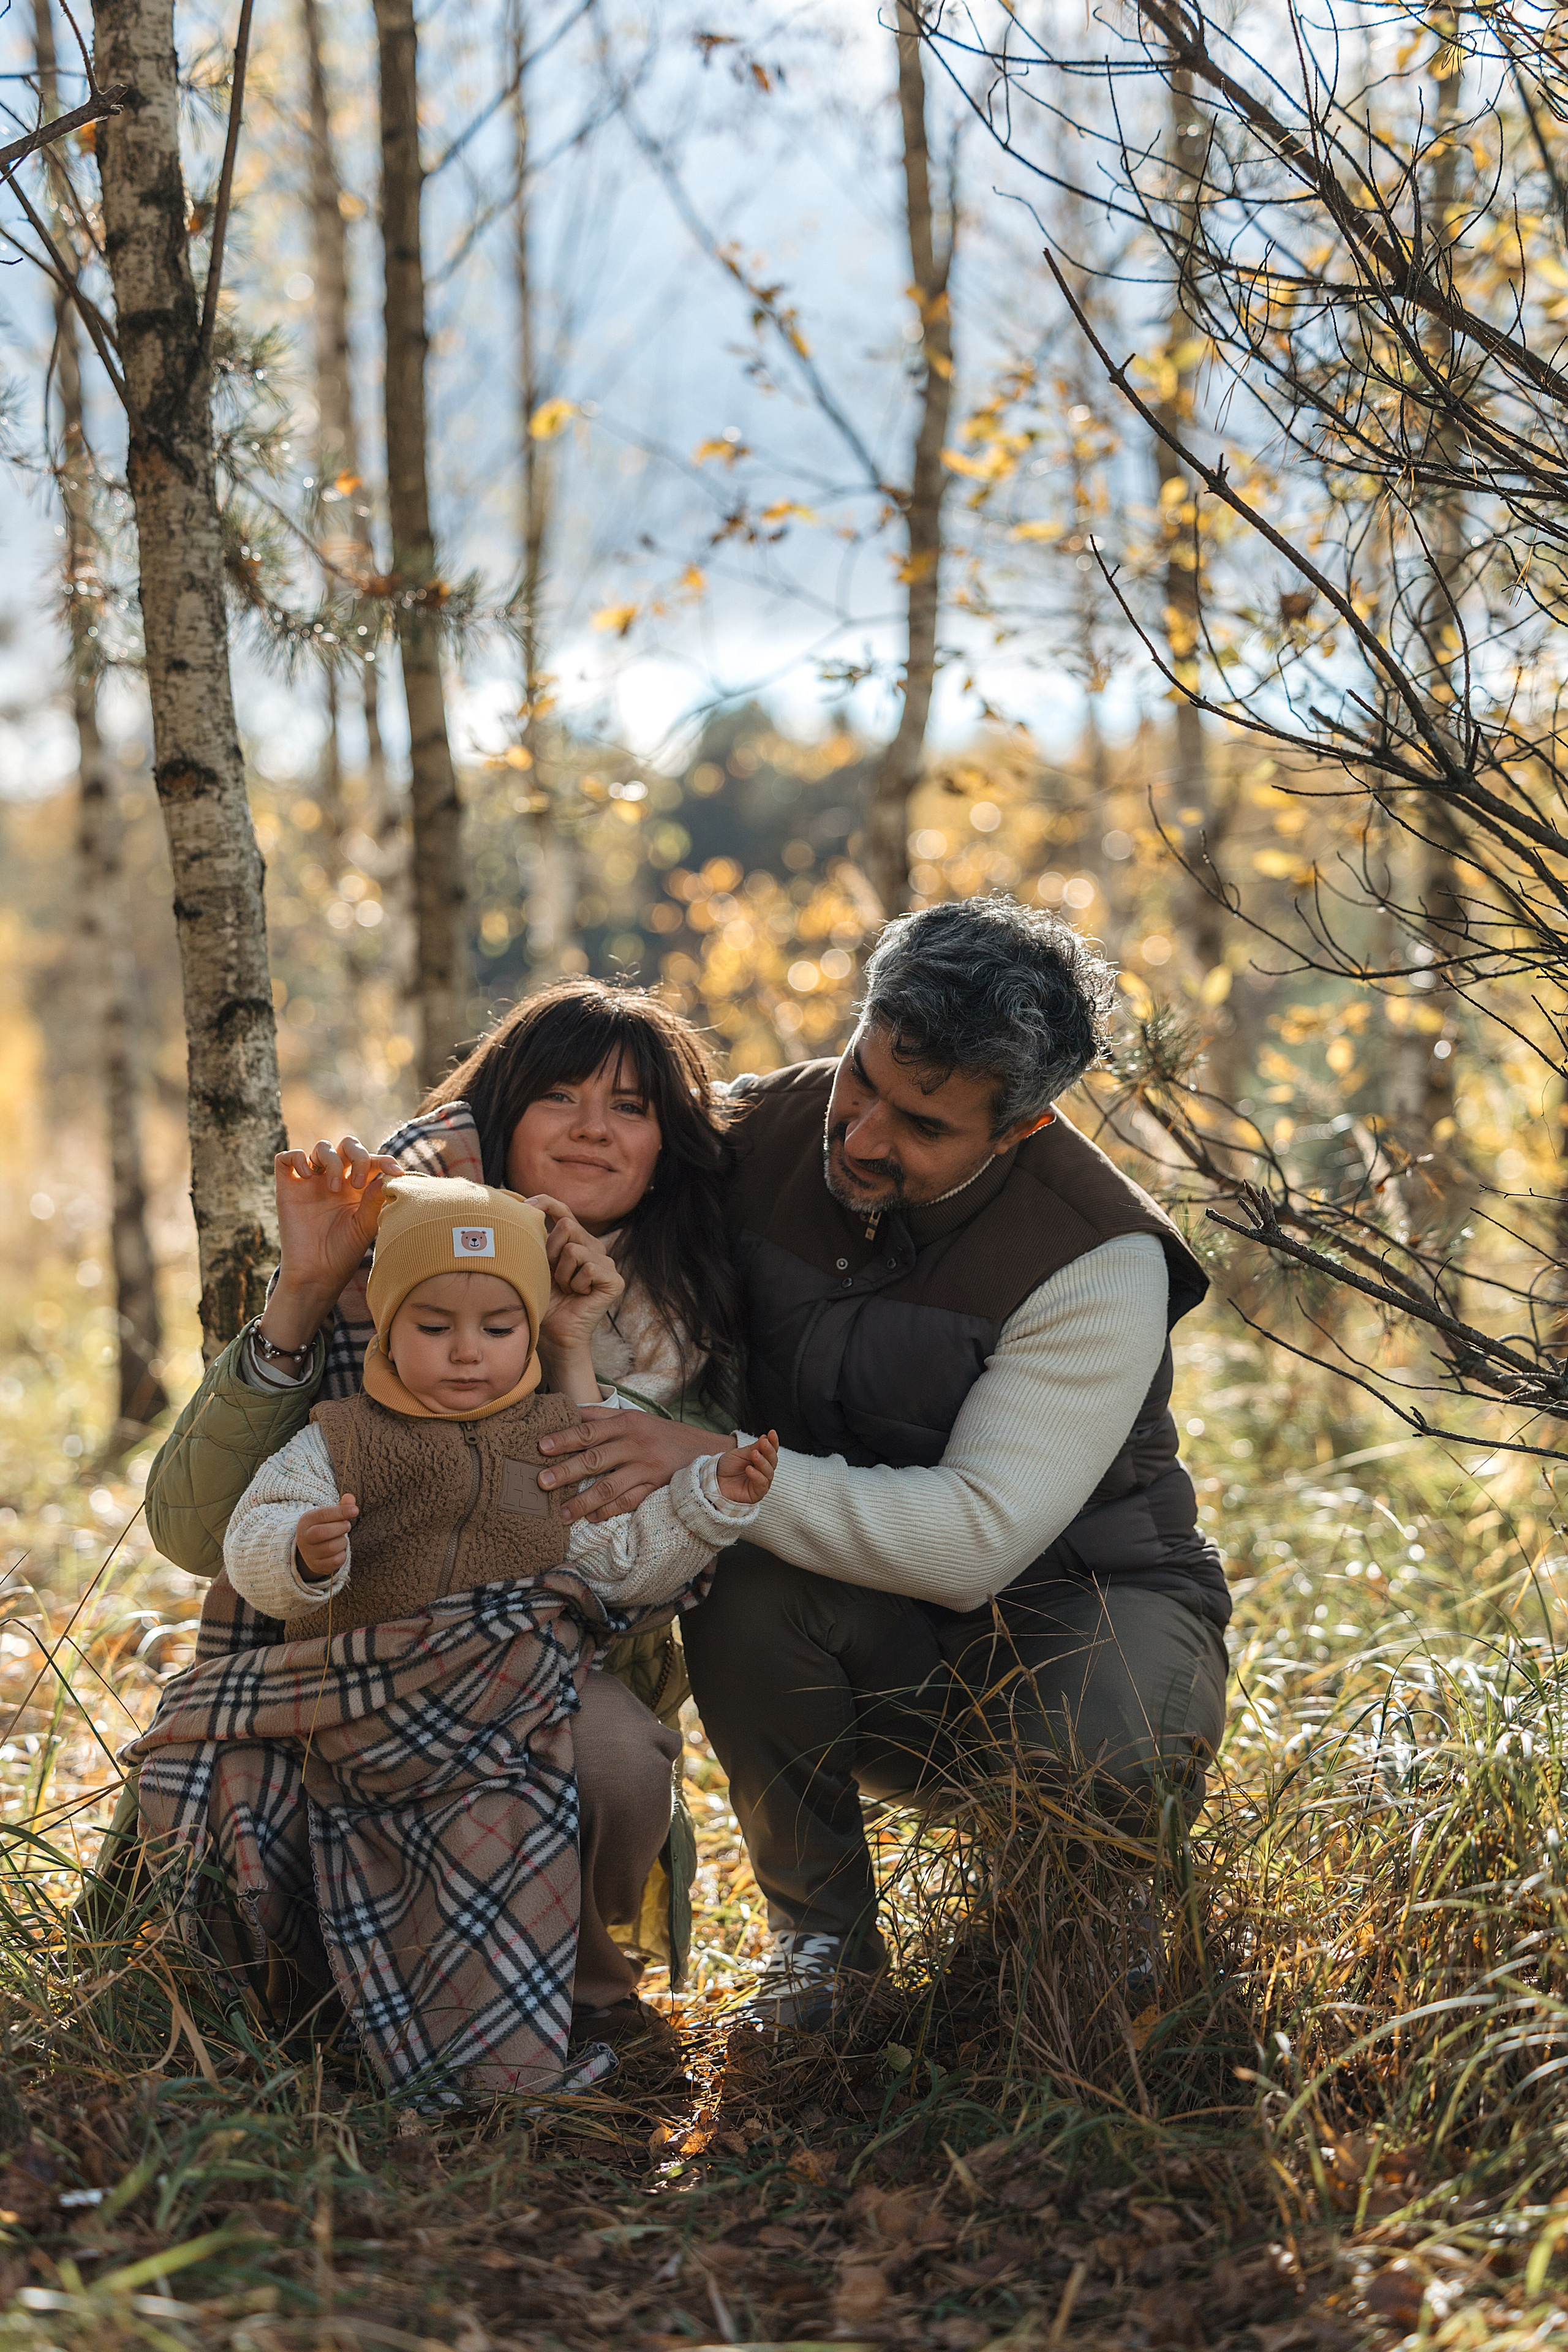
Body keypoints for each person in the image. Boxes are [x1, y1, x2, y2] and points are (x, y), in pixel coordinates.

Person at [527, 899, 1231, 2026]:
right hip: (846, 1604)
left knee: (1079, 1883)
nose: (861, 1135)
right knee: (745, 1569)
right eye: (864, 1079)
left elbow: (976, 1542)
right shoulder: (753, 1130)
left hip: (1087, 1599)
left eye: (923, 1126)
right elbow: (559, 1145)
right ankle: (823, 1950)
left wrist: (699, 1460)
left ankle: (1077, 1916)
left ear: (1019, 1132)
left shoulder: (1099, 1260)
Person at [123, 981, 745, 2044]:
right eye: (560, 1095)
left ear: (663, 1148)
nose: (595, 1126)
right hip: (341, 1643)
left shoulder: (681, 1319)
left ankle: (574, 1990)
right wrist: (310, 1293)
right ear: (503, 1115)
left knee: (612, 1763)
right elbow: (193, 1531)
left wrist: (565, 1345)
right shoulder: (393, 1270)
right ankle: (298, 2007)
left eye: (631, 1106)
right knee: (246, 1771)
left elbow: (639, 1572)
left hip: (551, 1666)